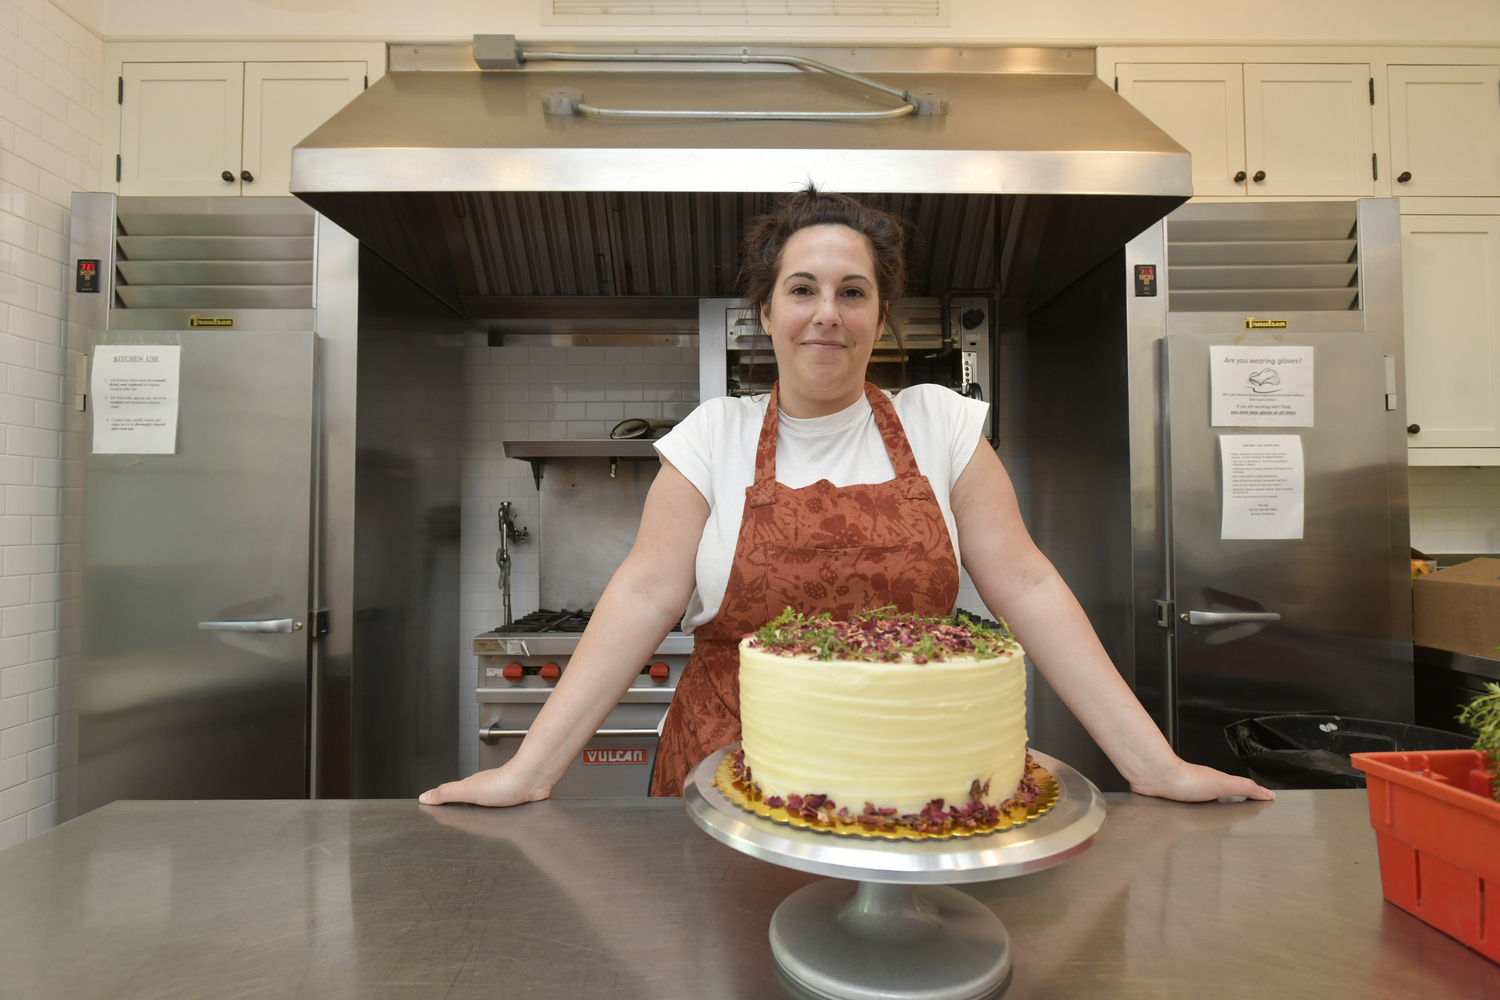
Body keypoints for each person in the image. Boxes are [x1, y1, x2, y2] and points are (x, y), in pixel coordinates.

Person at [421, 187, 1273, 808]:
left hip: (908, 785)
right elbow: (642, 594)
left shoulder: (943, 426)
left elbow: (1033, 587)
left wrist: (1154, 767)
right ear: (766, 311)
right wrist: (528, 772)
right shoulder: (711, 436)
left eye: (851, 291)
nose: (825, 313)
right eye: (802, 288)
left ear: (881, 315)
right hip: (723, 775)